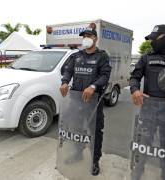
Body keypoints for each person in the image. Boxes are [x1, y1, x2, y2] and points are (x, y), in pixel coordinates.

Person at [129, 24, 165, 180]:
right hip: (148, 112)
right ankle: (138, 171)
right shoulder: (146, 57)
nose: (152, 42)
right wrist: (135, 90)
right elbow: (134, 77)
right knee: (142, 145)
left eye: (155, 38)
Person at [59, 25, 111, 176]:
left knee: (95, 132)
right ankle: (78, 153)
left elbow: (105, 75)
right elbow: (67, 70)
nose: (86, 38)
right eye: (84, 36)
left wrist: (93, 86)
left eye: (89, 36)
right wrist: (64, 82)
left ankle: (95, 161)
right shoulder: (76, 55)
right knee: (76, 129)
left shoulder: (102, 56)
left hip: (94, 100)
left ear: (95, 39)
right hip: (76, 100)